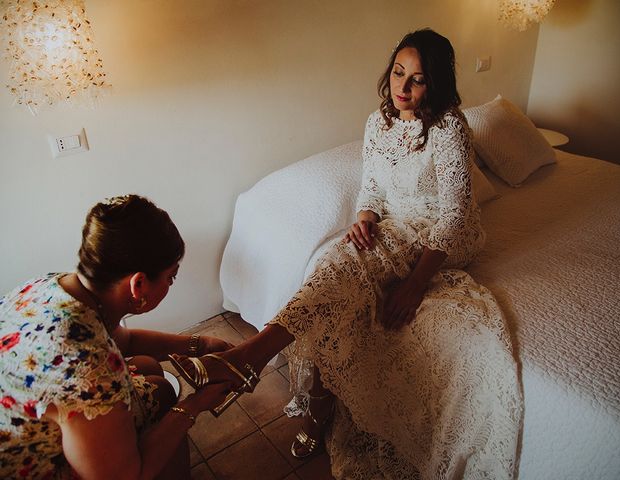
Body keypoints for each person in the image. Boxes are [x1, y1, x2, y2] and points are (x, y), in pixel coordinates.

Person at [171, 28, 521, 479]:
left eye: (418, 79)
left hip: (442, 232)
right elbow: (372, 186)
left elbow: (454, 216)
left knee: (344, 272)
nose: (403, 87)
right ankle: (279, 382)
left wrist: (416, 285)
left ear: (435, 83)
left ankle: (246, 361)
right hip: (395, 225)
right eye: (398, 73)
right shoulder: (378, 123)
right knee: (333, 274)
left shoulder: (450, 127)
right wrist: (365, 216)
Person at [0, 194, 234, 479]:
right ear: (139, 284)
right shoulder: (90, 366)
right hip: (24, 465)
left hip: (20, 421)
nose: (171, 283)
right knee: (163, 396)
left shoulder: (53, 286)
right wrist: (195, 404)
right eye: (170, 277)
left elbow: (126, 341)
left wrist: (199, 344)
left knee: (147, 367)